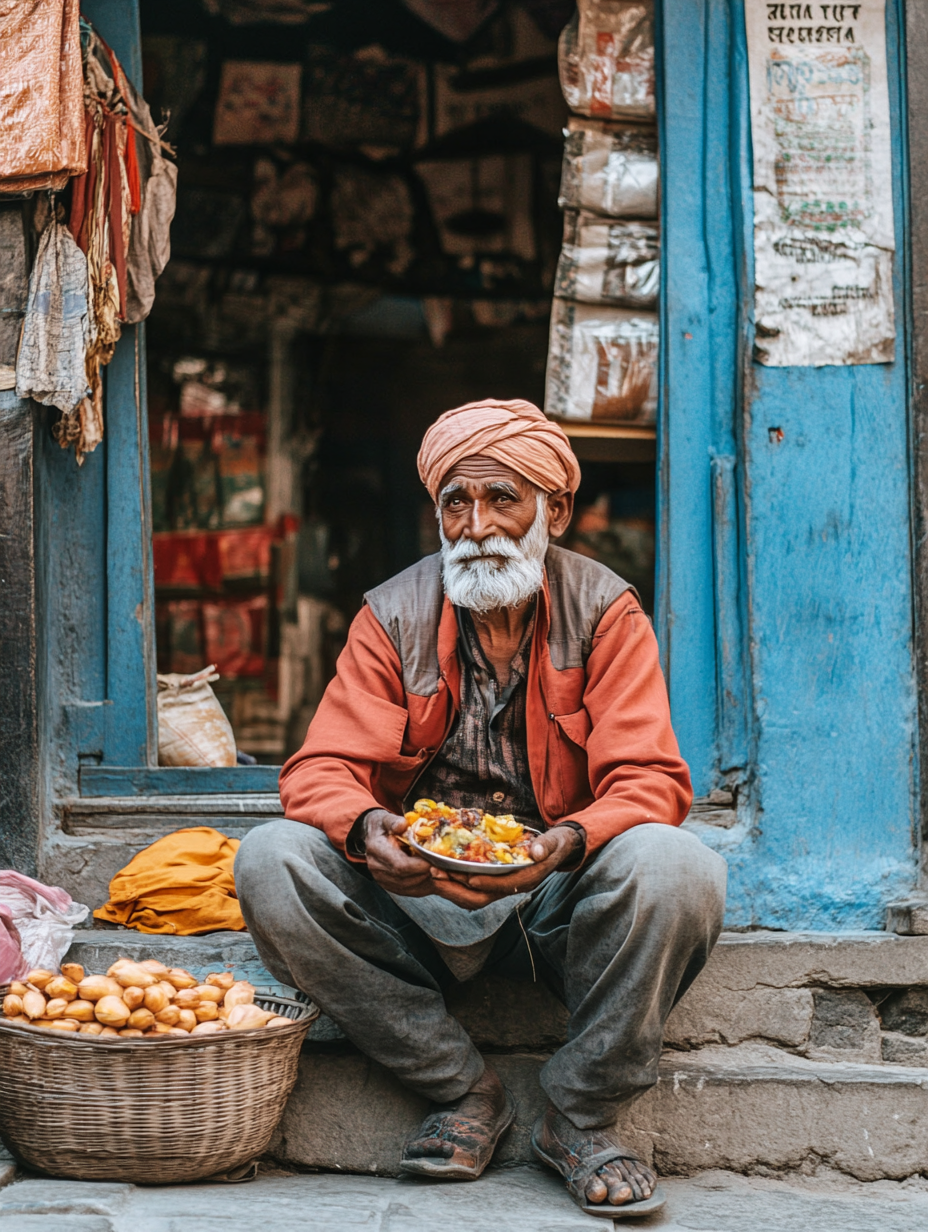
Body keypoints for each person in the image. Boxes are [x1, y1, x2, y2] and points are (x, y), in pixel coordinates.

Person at [235, 398, 727, 1218]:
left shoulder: (605, 611)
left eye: (504, 499)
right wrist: (365, 830)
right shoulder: (391, 614)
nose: (478, 525)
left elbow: (652, 782)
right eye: (456, 503)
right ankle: (464, 1092)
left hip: (553, 906)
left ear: (553, 510)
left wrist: (568, 841)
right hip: (413, 898)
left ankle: (579, 1116)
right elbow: (320, 768)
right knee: (270, 859)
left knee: (680, 867)